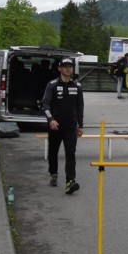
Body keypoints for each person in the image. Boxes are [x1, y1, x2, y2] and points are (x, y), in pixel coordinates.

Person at [41, 58, 84, 195]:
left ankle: (70, 181)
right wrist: (51, 119)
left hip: (71, 127)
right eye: (65, 66)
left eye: (70, 67)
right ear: (59, 68)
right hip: (55, 126)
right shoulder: (52, 85)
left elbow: (80, 107)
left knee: (70, 153)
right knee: (53, 152)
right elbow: (45, 104)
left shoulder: (77, 86)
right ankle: (53, 173)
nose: (68, 69)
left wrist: (80, 125)